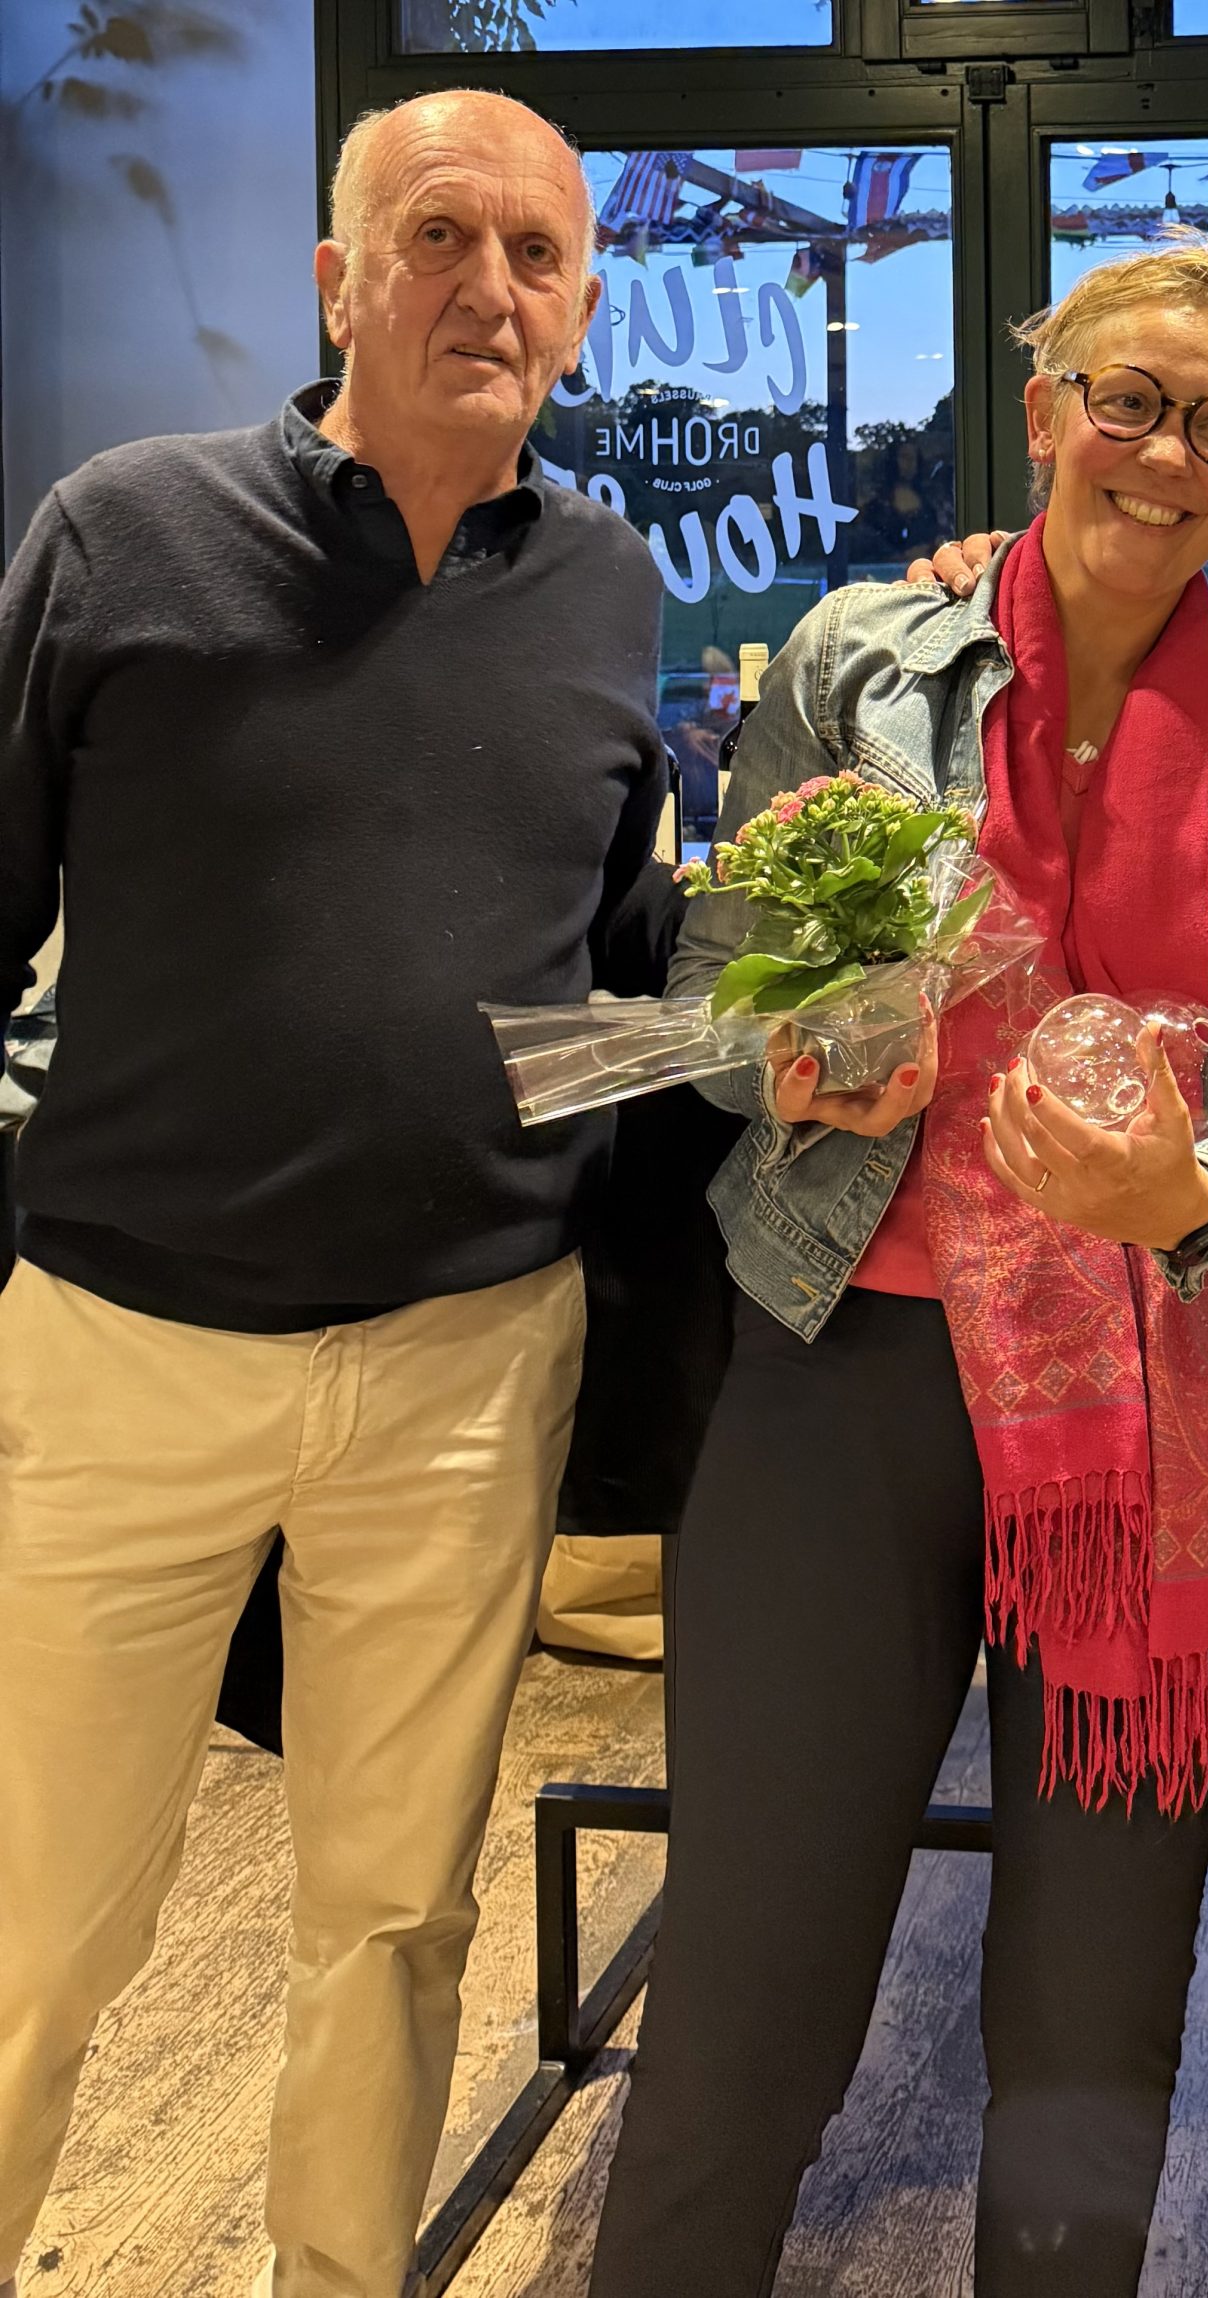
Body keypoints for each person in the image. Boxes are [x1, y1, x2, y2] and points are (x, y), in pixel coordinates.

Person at [584, 236, 1208, 2296]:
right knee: (753, 1968)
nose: (1167, 453)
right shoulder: (858, 660)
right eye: (1130, 400)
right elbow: (711, 990)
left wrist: (1193, 1191)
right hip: (843, 1379)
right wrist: (788, 1059)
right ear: (1046, 414)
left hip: (1163, 1406)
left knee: (1091, 2015)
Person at [0, 90, 668, 2298]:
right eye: (439, 237)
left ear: (584, 307)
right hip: (128, 1353)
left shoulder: (606, 584)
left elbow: (599, 978)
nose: (491, 290)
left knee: (391, 1916)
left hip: (469, 1363)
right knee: (39, 1922)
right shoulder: (123, 532)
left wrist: (792, 1012)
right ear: (336, 281)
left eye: (538, 255)